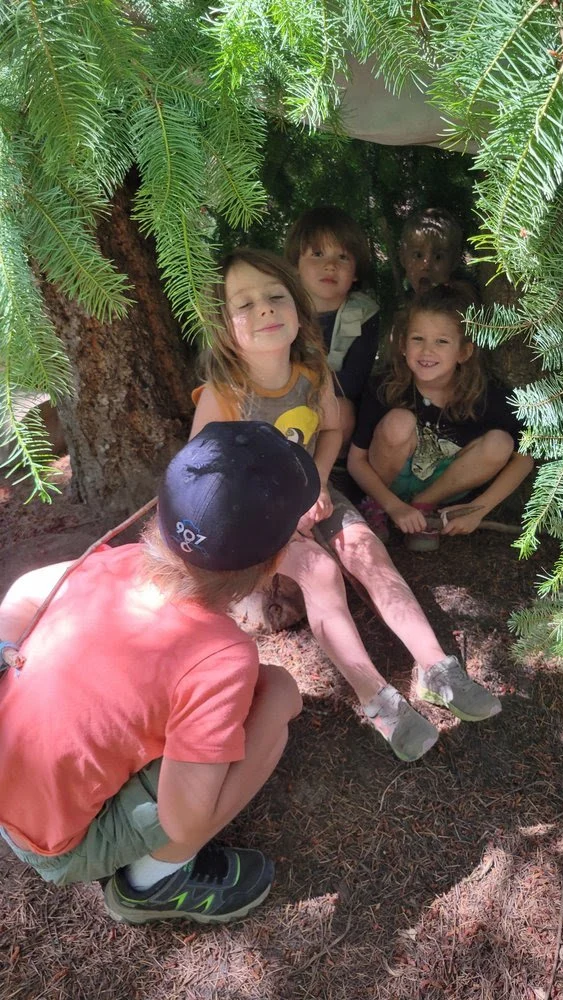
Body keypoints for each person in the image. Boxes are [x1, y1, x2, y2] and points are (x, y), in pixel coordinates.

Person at [0, 421, 321, 925]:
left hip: (12, 784)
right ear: (274, 561)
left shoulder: (114, 561)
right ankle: (155, 882)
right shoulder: (223, 659)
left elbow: (22, 590)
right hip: (59, 846)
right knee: (278, 694)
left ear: (160, 511)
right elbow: (182, 816)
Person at [191, 248, 502, 763]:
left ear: (297, 308)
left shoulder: (310, 376)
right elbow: (204, 481)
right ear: (224, 325)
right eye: (245, 303)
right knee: (317, 570)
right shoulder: (223, 396)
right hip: (254, 516)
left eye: (275, 297)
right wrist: (279, 517)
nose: (265, 310)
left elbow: (332, 429)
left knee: (367, 550)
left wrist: (314, 479)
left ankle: (435, 666)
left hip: (311, 490)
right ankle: (375, 697)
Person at [347, 284, 534, 550]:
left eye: (442, 341)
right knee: (398, 422)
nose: (426, 351)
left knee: (501, 443)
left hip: (445, 485)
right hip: (388, 482)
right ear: (402, 344)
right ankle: (376, 509)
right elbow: (356, 460)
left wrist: (477, 510)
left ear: (464, 352)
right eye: (417, 339)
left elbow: (525, 458)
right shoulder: (385, 386)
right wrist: (393, 506)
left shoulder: (484, 394)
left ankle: (424, 507)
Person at [285, 206, 380, 446]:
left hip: (332, 405)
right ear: (296, 265)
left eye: (343, 257)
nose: (330, 265)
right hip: (281, 398)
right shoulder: (280, 309)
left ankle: (329, 472)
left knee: (342, 411)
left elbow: (352, 382)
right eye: (317, 254)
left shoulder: (363, 314)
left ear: (356, 272)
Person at [398, 207, 477, 300]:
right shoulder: (404, 303)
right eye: (418, 255)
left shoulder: (459, 302)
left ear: (454, 261)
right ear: (403, 258)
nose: (426, 265)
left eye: (438, 257)